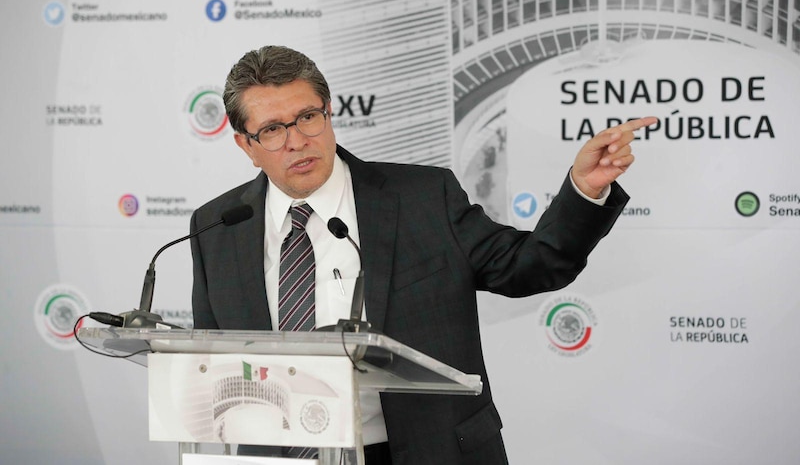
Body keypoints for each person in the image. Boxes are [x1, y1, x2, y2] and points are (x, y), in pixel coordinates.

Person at [190, 45, 658, 464]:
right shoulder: (216, 227)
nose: (296, 140)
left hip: (424, 452)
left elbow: (529, 267)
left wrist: (583, 191)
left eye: (307, 117)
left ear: (329, 114)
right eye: (272, 129)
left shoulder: (423, 197)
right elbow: (211, 365)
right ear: (246, 146)